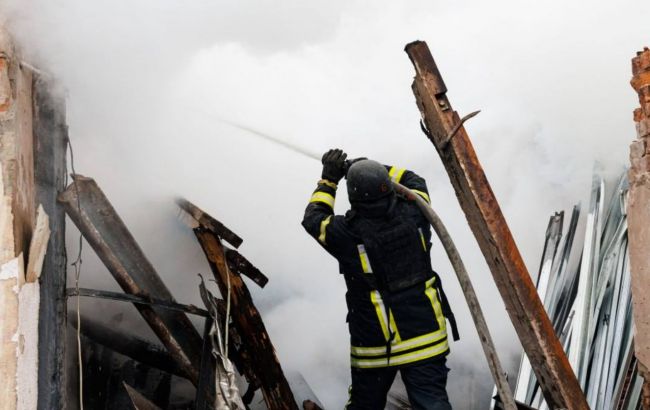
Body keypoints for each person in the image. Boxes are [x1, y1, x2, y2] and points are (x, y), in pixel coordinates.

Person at [302, 149, 459, 410]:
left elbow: (313, 218)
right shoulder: (417, 212)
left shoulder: (345, 233)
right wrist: (369, 167)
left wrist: (329, 180)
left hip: (375, 348)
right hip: (427, 340)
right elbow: (413, 179)